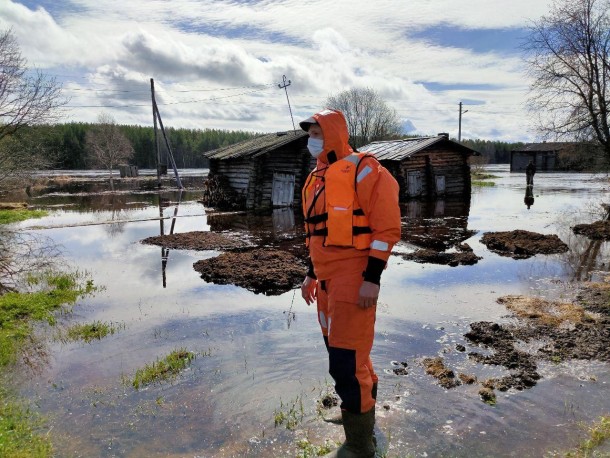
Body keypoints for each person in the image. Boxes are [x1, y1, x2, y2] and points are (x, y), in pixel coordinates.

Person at [299, 108, 401, 457]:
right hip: (326, 282)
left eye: (317, 133)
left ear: (333, 134)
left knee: (345, 362)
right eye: (309, 134)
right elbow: (318, 234)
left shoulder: (366, 169)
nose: (312, 140)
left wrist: (372, 279)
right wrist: (311, 274)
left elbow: (387, 229)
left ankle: (359, 447)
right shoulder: (316, 178)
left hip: (355, 280)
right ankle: (360, 414)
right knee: (346, 355)